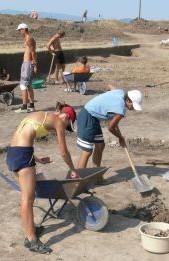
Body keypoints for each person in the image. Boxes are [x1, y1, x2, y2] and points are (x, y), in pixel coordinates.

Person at [6, 102, 78, 254]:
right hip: (23, 155)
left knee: (27, 197)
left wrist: (38, 160)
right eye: (67, 125)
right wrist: (73, 170)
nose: (65, 128)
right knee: (28, 199)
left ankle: (30, 231)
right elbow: (64, 152)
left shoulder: (41, 115)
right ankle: (31, 240)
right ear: (66, 117)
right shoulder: (58, 121)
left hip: (14, 153)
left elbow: (23, 139)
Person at [77, 89, 143, 175]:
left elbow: (110, 86)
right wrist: (120, 137)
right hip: (87, 116)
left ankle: (95, 174)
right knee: (87, 150)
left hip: (94, 117)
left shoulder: (121, 92)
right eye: (133, 106)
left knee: (100, 146)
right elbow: (111, 127)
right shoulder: (120, 110)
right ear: (128, 100)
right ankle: (78, 179)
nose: (134, 108)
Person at [15, 23, 37, 113]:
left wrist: (35, 65)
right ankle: (31, 106)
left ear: (24, 29)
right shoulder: (29, 39)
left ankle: (24, 107)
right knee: (28, 85)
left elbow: (33, 53)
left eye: (20, 30)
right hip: (27, 63)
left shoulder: (29, 39)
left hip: (27, 64)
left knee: (23, 85)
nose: (19, 32)